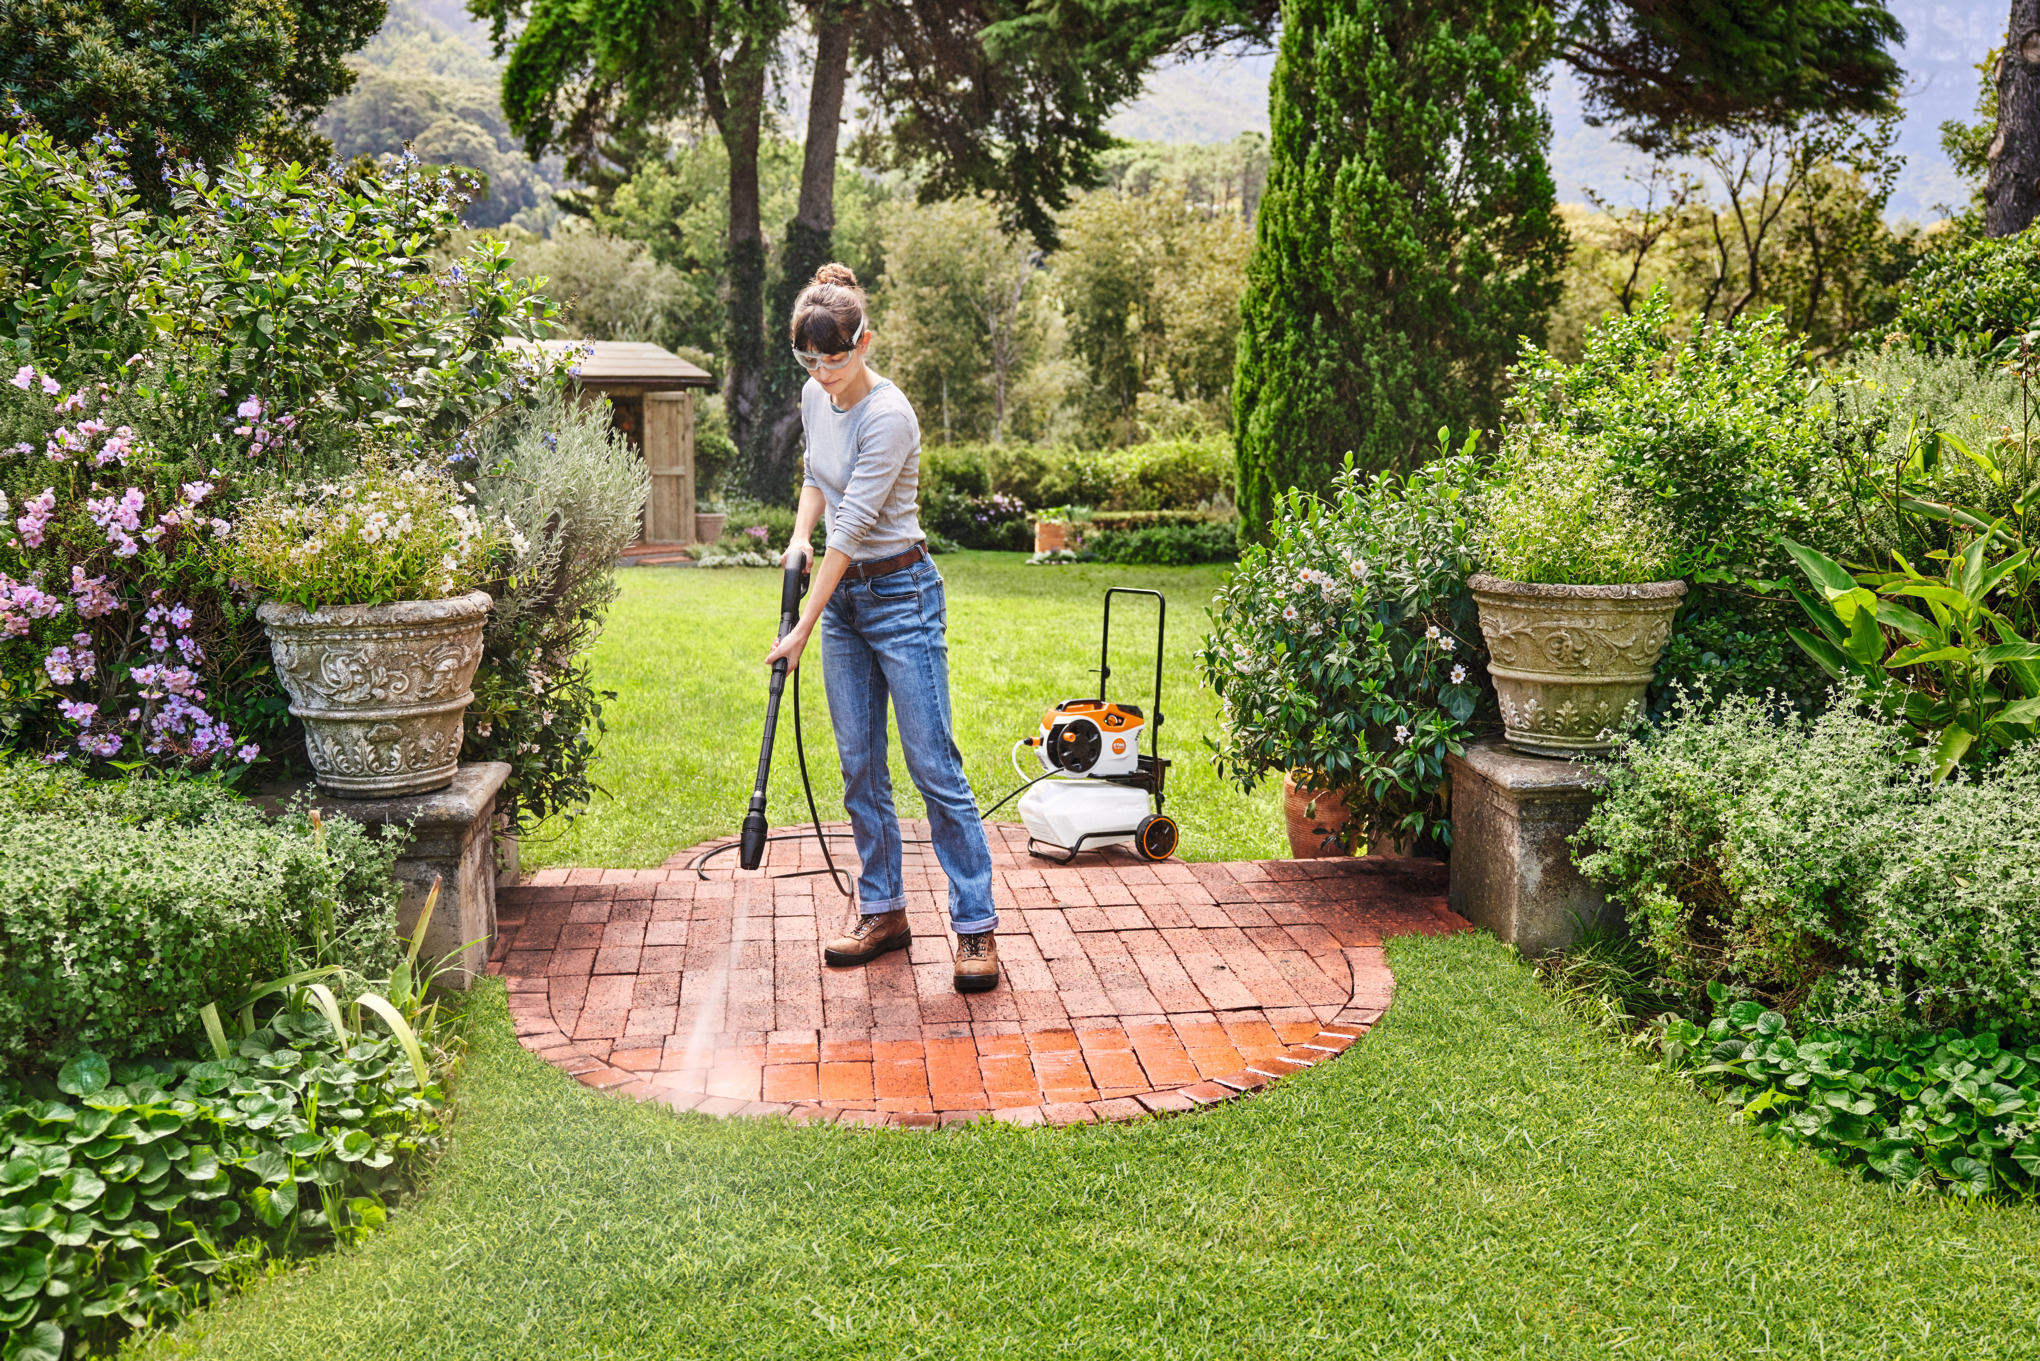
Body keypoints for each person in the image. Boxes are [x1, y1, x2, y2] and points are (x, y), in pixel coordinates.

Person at [763, 263, 1001, 994]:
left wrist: (800, 625)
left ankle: (975, 926)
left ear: (866, 341)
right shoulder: (815, 393)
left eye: (836, 358)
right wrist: (798, 535)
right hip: (845, 606)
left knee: (934, 766)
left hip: (902, 594)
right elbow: (816, 479)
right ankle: (883, 910)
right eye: (811, 360)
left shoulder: (890, 415)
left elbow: (856, 527)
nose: (824, 374)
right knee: (860, 764)